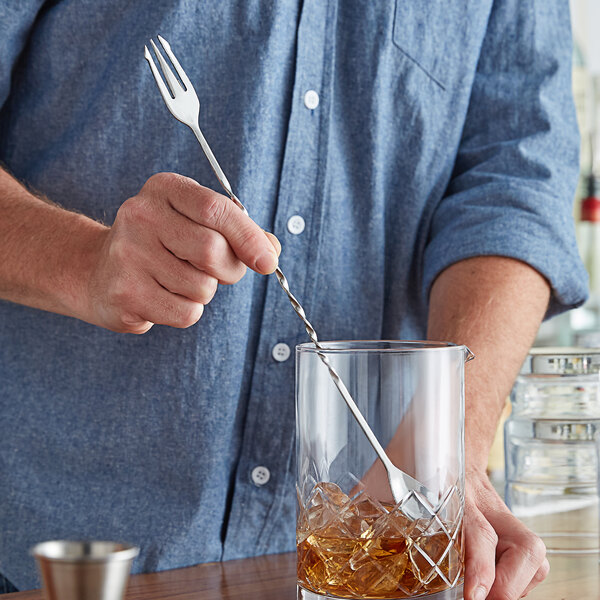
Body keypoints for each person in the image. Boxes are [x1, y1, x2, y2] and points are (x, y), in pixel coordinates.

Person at [0, 2, 586, 599]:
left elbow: (514, 183)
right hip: (47, 562)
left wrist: (443, 442)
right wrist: (82, 261)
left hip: (351, 568)